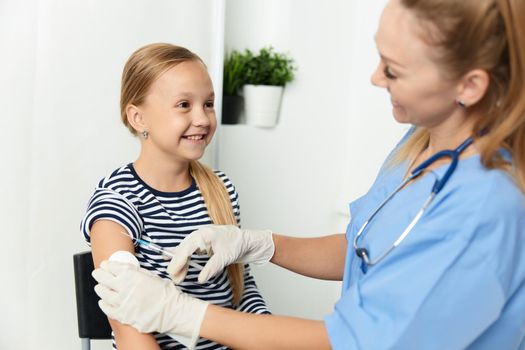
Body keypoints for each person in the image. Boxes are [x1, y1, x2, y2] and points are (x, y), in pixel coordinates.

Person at [92, 0, 525, 349]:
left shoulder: (485, 208)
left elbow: (357, 339)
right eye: (183, 104)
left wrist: (182, 313)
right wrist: (262, 244)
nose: (375, 78)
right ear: (137, 116)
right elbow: (363, 247)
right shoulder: (423, 143)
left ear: (469, 85)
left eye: (392, 69)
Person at [80, 43, 270, 350]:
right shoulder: (117, 200)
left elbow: (242, 289)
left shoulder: (221, 189)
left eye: (208, 104)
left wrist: (267, 333)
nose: (203, 118)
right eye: (184, 105)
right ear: (138, 118)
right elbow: (129, 330)